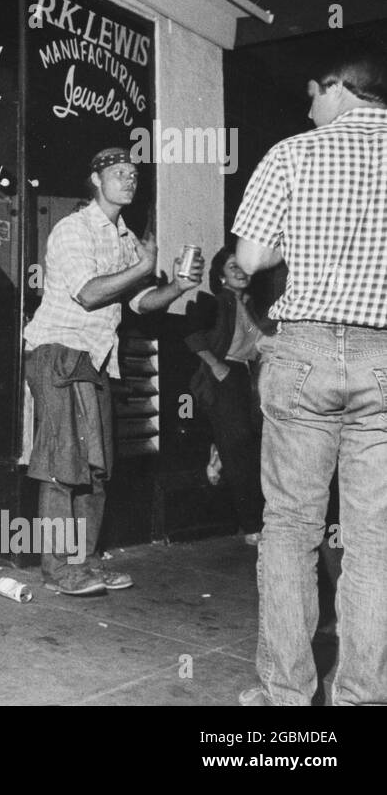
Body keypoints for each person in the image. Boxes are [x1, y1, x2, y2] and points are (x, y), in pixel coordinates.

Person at [232, 44, 387, 706]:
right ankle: (361, 693)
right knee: (375, 537)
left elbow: (253, 255)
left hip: (304, 352)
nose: (308, 108)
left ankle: (287, 695)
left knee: (292, 527)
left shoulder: (295, 153)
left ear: (338, 87)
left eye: (312, 95)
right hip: (384, 357)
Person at [23, 146, 202, 597]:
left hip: (99, 357)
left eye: (133, 173)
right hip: (59, 351)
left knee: (97, 469)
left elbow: (140, 302)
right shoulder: (73, 229)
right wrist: (143, 266)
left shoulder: (125, 240)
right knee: (63, 467)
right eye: (118, 172)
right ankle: (59, 570)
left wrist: (177, 286)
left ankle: (84, 562)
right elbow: (87, 294)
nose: (128, 179)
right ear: (95, 180)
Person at [185, 243, 271, 544]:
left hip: (250, 379)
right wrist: (217, 366)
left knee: (251, 446)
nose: (240, 271)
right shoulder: (215, 302)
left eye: (242, 266)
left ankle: (219, 452)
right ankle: (251, 527)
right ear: (221, 277)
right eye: (232, 267)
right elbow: (192, 336)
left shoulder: (253, 305)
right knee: (241, 453)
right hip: (225, 377)